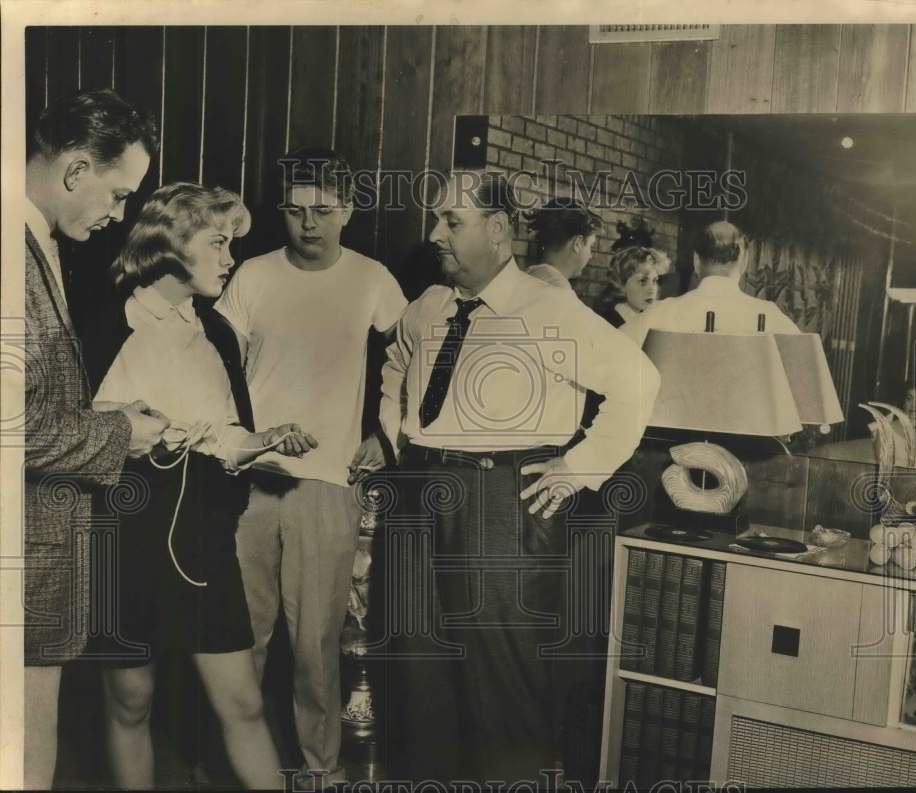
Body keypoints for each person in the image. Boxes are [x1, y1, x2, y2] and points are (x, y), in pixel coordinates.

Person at [378, 170, 660, 781]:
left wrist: (580, 467)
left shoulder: (547, 308)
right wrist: (395, 434)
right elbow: (396, 360)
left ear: (497, 229)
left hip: (499, 503)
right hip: (418, 494)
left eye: (452, 222)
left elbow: (639, 381)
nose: (435, 234)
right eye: (437, 220)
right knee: (417, 673)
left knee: (501, 683)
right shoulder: (429, 305)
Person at [94, 183, 318, 790]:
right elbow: (64, 431)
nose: (229, 259)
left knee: (242, 703)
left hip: (200, 537)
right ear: (170, 243)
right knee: (130, 702)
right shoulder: (101, 320)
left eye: (231, 245)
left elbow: (227, 438)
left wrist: (266, 438)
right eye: (217, 243)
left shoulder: (216, 332)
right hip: (123, 533)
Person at [215, 147, 407, 780]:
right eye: (296, 210)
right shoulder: (251, 276)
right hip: (250, 481)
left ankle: (319, 769)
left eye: (323, 210)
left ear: (347, 211)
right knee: (241, 636)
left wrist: (388, 434)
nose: (309, 223)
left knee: (315, 644)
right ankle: (238, 767)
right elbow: (216, 363)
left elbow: (414, 358)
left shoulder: (373, 279)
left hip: (329, 482)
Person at [23, 88, 168, 789]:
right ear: (76, 170)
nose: (119, 214)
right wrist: (120, 432)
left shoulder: (37, 243)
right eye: (118, 194)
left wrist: (101, 414)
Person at [621, 220, 800, 346]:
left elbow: (611, 354)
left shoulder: (659, 313)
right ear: (744, 261)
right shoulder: (771, 316)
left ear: (696, 261)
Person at [524, 197, 602, 290]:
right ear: (577, 243)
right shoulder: (560, 289)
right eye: (590, 246)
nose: (590, 256)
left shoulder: (529, 275)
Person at [595, 245, 670, 327]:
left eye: (654, 281)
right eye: (643, 281)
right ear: (621, 283)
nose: (652, 290)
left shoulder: (648, 317)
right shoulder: (608, 322)